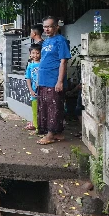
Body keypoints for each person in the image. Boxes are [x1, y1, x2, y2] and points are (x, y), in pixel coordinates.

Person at [36, 16, 71, 145]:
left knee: (54, 108)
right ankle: (58, 133)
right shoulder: (45, 42)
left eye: (49, 26)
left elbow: (63, 62)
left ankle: (50, 135)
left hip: (54, 80)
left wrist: (60, 81)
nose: (47, 29)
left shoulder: (61, 41)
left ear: (56, 27)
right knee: (45, 107)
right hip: (44, 80)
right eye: (45, 27)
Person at [24, 44, 41, 132]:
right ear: (30, 54)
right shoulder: (30, 66)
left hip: (43, 90)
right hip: (34, 91)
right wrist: (30, 90)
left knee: (43, 110)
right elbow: (28, 78)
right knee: (35, 110)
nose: (35, 55)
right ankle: (36, 126)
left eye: (37, 53)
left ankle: (43, 127)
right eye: (33, 53)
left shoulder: (43, 64)